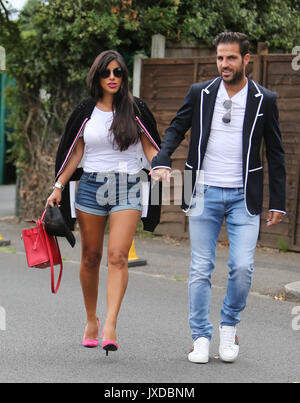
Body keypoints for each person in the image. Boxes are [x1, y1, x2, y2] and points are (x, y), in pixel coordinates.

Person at [151, 32, 286, 364]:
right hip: (203, 191)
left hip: (244, 196)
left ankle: (229, 325)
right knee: (200, 268)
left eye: (231, 58)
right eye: (220, 58)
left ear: (246, 59)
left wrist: (278, 201)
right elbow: (175, 129)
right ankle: (199, 336)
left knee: (242, 266)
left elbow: (277, 153)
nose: (224, 64)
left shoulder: (264, 99)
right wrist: (162, 159)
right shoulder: (201, 93)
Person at [47, 50, 161, 355]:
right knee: (90, 257)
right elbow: (74, 152)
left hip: (128, 185)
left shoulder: (136, 108)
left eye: (118, 72)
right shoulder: (86, 110)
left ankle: (110, 323)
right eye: (106, 72)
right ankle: (91, 320)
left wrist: (159, 166)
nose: (112, 78)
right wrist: (58, 186)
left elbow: (150, 146)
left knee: (118, 256)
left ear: (124, 77)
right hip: (91, 186)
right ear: (97, 76)